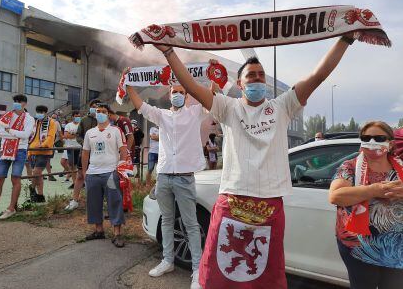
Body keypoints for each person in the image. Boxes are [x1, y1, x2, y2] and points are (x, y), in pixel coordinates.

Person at [152, 34, 354, 288]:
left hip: (269, 206)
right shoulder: (228, 107)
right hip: (232, 201)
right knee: (220, 276)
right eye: (251, 76)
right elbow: (192, 87)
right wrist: (169, 51)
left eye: (261, 76)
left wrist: (346, 39)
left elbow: (318, 75)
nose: (257, 80)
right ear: (240, 82)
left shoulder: (283, 106)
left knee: (264, 278)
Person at [126, 81, 206, 289]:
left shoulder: (195, 113)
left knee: (191, 224)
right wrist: (128, 88)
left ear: (187, 96)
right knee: (167, 220)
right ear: (169, 95)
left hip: (184, 177)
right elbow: (141, 107)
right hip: (164, 176)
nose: (178, 95)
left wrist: (213, 78)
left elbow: (211, 98)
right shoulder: (162, 115)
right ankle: (168, 260)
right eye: (174, 92)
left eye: (181, 92)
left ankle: (198, 270)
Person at [329, 121, 403, 289]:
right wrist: (374, 190)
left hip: (398, 248)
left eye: (378, 138)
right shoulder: (349, 167)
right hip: (360, 247)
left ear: (390, 143)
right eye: (366, 137)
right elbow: (335, 196)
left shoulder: (401, 167)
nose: (372, 142)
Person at [0, 94, 34, 221]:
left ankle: (11, 208)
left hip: (20, 150)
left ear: (24, 104)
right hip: (5, 150)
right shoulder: (7, 116)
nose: (16, 104)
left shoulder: (29, 118)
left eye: (19, 102)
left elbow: (26, 135)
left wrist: (9, 131)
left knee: (15, 179)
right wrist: (15, 134)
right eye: (15, 101)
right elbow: (0, 133)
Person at [82, 103, 127, 248]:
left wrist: (121, 169)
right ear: (95, 114)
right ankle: (98, 230)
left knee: (115, 201)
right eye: (98, 111)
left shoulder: (115, 131)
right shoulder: (90, 133)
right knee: (93, 203)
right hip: (93, 173)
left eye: (103, 111)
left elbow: (123, 150)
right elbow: (85, 152)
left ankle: (117, 233)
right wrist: (84, 171)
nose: (100, 113)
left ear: (108, 114)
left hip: (110, 173)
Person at [65, 99, 100, 211]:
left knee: (97, 177)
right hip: (84, 153)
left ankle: (95, 202)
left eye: (97, 107)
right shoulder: (84, 120)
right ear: (90, 107)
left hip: (99, 154)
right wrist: (85, 144)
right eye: (93, 106)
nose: (95, 108)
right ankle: (74, 200)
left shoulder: (103, 120)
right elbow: (78, 135)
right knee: (80, 176)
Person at [28, 105, 57, 203]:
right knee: (38, 174)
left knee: (36, 172)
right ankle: (40, 196)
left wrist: (43, 145)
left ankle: (31, 188)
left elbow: (51, 136)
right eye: (38, 111)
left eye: (41, 112)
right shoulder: (35, 122)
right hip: (32, 150)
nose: (39, 114)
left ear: (46, 112)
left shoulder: (51, 122)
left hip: (44, 151)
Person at [63, 111, 82, 186]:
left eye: (79, 116)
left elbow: (82, 135)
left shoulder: (81, 125)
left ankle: (80, 182)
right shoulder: (68, 125)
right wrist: (76, 135)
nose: (78, 117)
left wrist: (72, 135)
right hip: (70, 148)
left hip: (79, 147)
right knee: (72, 166)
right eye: (76, 116)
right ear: (73, 116)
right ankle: (74, 182)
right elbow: (66, 135)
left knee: (79, 166)